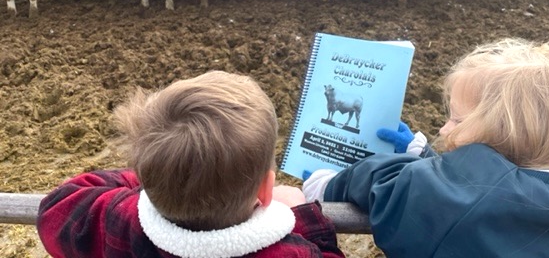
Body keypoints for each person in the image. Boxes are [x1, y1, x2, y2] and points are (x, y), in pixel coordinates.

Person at [303, 38, 549, 257]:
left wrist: (330, 184)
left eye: (456, 120)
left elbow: (391, 184)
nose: (443, 129)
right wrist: (423, 154)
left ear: (504, 135)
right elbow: (477, 190)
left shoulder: (457, 201)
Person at [37, 70, 345, 258]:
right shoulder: (289, 253)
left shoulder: (120, 221)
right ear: (266, 190)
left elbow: (57, 208)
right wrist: (302, 218)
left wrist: (158, 175)